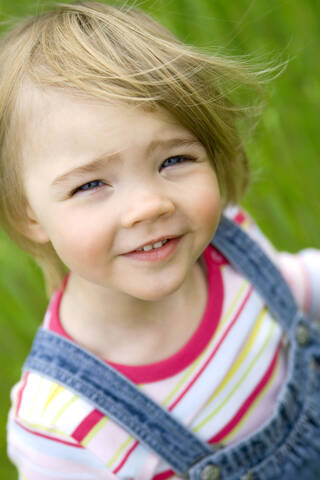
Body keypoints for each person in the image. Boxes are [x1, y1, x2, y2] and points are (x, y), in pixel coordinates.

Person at [2, 2, 320, 479]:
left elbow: (300, 288)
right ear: (31, 217)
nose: (150, 205)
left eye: (173, 159)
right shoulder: (60, 421)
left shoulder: (233, 252)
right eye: (90, 185)